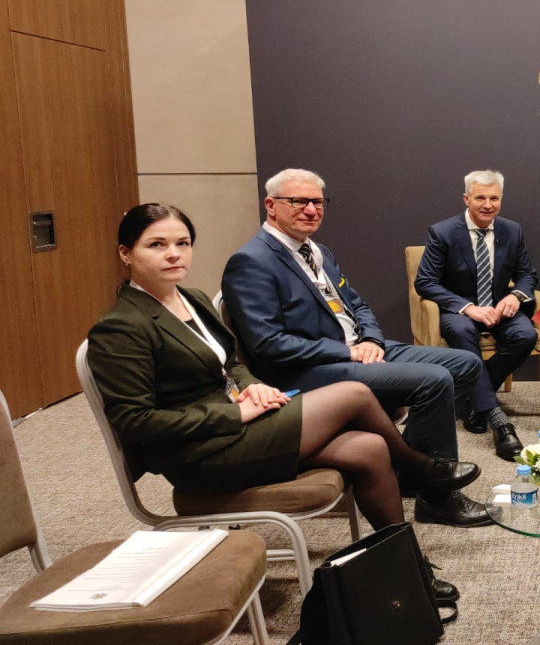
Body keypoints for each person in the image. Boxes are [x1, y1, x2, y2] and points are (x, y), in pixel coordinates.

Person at [87, 203, 467, 601]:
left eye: (182, 243)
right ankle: (419, 467)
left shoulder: (190, 298)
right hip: (200, 457)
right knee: (354, 394)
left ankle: (405, 567)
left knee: (369, 448)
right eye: (156, 245)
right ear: (126, 253)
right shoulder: (120, 326)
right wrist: (234, 412)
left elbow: (230, 362)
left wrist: (252, 386)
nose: (173, 254)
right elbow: (137, 422)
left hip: (238, 430)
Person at [221, 168, 490, 528]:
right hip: (307, 370)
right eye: (299, 201)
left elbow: (357, 306)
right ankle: (436, 496)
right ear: (271, 205)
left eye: (318, 202)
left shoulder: (319, 251)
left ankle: (407, 471)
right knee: (435, 379)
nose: (311, 210)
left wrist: (371, 340)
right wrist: (347, 352)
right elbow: (269, 344)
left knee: (466, 363)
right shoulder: (252, 261)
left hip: (358, 349)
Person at [414, 170, 535, 461]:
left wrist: (515, 296)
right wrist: (468, 308)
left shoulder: (512, 230)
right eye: (480, 198)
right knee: (462, 331)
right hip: (461, 310)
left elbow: (527, 274)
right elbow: (425, 282)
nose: (488, 205)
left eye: (494, 198)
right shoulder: (443, 232)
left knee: (526, 334)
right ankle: (499, 422)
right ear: (466, 199)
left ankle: (470, 398)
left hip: (498, 307)